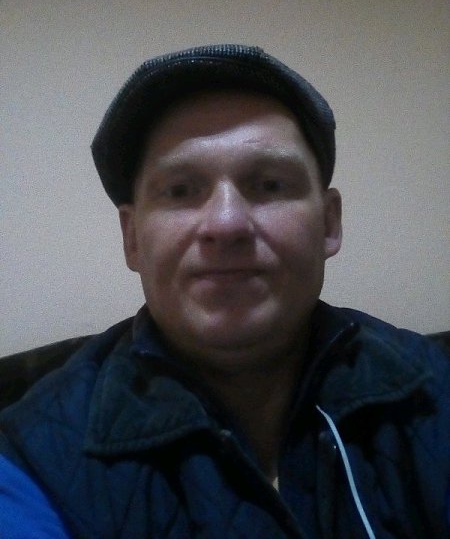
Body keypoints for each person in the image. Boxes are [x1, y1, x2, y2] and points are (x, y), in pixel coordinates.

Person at [0, 44, 448, 538]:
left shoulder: (436, 391)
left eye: (270, 184)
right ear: (133, 239)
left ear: (329, 223)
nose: (226, 224)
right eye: (180, 190)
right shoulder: (29, 464)